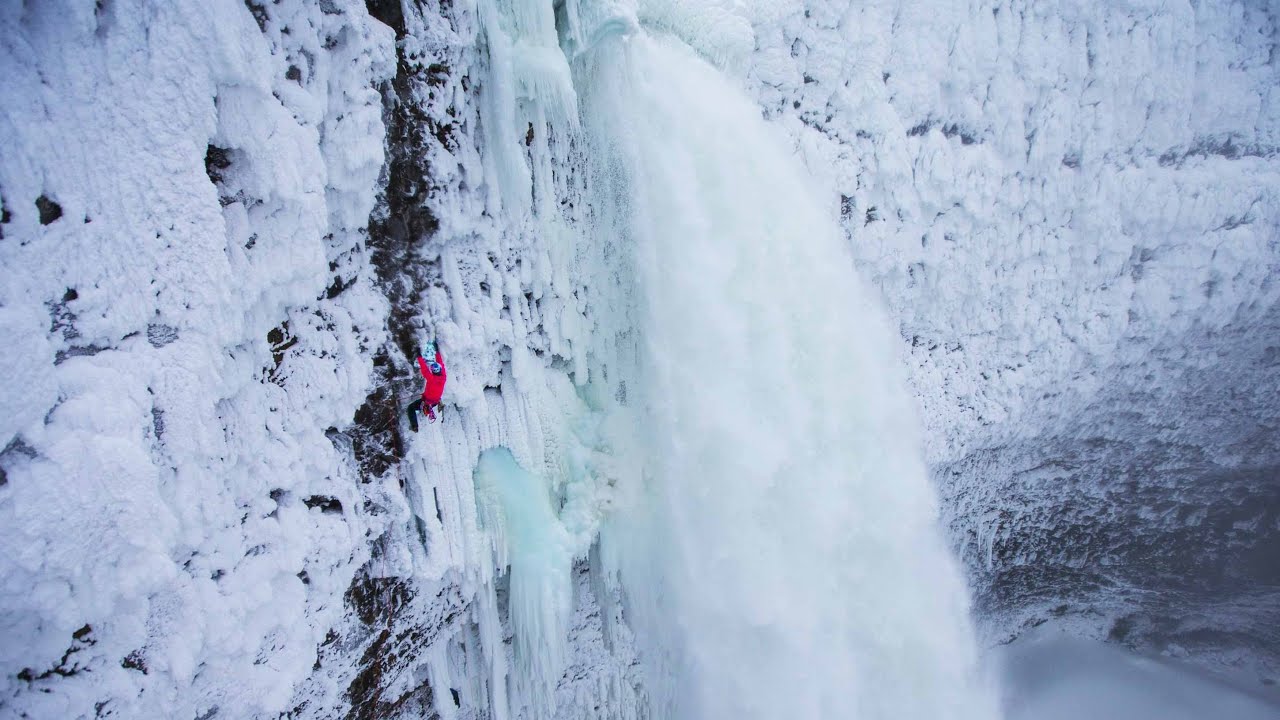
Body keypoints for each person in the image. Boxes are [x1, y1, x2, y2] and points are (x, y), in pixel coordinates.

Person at [406, 342, 446, 431]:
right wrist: (437, 352)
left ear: (433, 371)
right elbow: (441, 364)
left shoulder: (431, 378)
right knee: (419, 405)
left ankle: (414, 426)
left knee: (410, 408)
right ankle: (422, 412)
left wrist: (419, 356)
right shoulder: (443, 377)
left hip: (427, 402)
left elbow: (424, 369)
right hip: (435, 402)